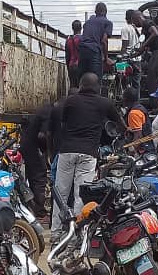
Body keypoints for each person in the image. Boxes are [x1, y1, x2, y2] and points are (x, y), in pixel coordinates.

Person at [48, 73, 124, 235]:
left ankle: (55, 231)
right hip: (88, 153)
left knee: (61, 192)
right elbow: (120, 123)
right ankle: (77, 232)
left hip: (67, 151)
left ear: (81, 86)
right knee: (81, 194)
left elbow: (63, 123)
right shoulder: (105, 103)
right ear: (97, 87)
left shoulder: (69, 101)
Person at [20, 102, 53, 220]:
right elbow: (42, 136)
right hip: (34, 148)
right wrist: (47, 151)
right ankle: (39, 210)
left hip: (26, 146)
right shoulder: (49, 112)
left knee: (32, 177)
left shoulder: (44, 109)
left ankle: (32, 206)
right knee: (39, 178)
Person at [130, 10, 158, 95]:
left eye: (134, 21)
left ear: (137, 18)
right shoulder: (144, 28)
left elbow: (155, 33)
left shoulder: (147, 23)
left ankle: (155, 99)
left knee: (151, 77)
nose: (134, 24)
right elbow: (143, 45)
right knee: (154, 78)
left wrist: (143, 47)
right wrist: (134, 55)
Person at [77, 3, 112, 81]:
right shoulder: (107, 23)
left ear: (95, 12)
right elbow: (104, 41)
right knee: (96, 79)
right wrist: (106, 59)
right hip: (94, 51)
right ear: (106, 12)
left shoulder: (87, 23)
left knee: (82, 79)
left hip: (82, 51)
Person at [65, 20, 82, 89]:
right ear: (81, 28)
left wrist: (68, 68)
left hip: (71, 65)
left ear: (72, 28)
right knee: (80, 86)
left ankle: (71, 98)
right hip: (80, 65)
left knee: (72, 86)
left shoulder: (68, 40)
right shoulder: (83, 39)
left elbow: (67, 57)